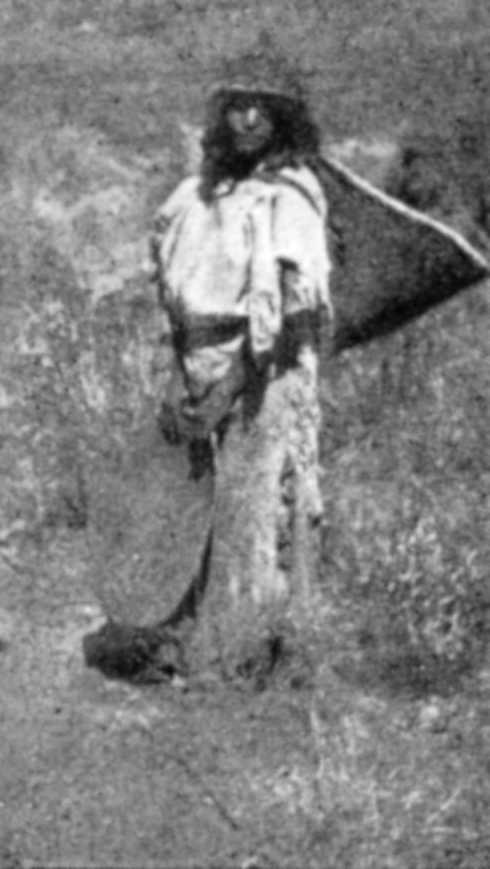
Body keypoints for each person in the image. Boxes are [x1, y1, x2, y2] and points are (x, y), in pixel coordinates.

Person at [150, 38, 332, 679]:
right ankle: (194, 637)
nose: (248, 119)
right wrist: (179, 376)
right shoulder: (195, 197)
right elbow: (172, 295)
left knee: (253, 508)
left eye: (263, 107)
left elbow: (288, 315)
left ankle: (250, 652)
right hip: (200, 364)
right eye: (238, 106)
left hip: (264, 376)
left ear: (284, 119)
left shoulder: (291, 198)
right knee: (194, 505)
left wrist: (230, 385)